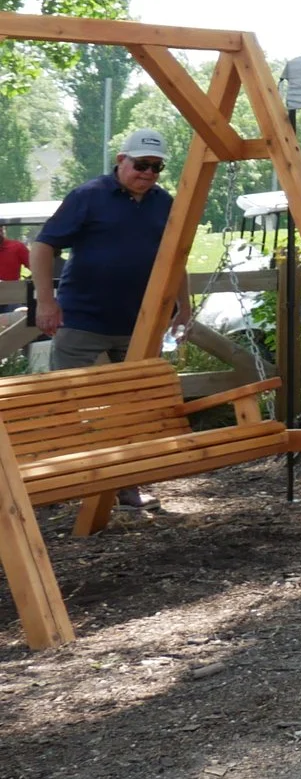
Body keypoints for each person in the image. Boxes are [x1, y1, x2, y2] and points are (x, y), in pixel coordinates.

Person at [33, 127, 193, 509]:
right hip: (83, 319)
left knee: (133, 407)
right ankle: (56, 483)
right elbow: (42, 246)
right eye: (141, 164)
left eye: (157, 167)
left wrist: (184, 306)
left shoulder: (164, 203)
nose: (149, 173)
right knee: (67, 400)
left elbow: (176, 257)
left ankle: (126, 486)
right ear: (121, 160)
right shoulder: (87, 197)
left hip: (140, 322)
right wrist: (45, 301)